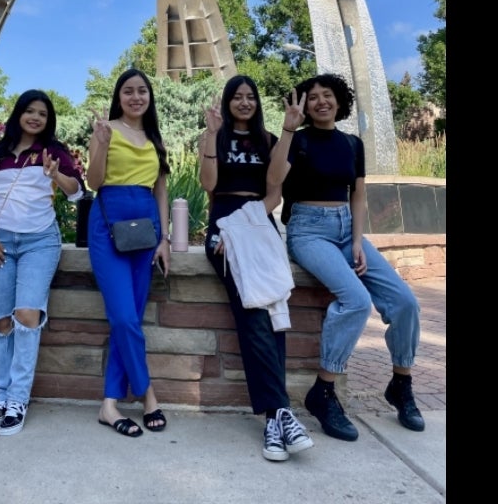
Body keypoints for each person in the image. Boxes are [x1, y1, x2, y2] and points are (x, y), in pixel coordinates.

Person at [268, 73, 425, 441]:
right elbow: (273, 182)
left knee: (405, 302)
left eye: (328, 95)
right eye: (313, 98)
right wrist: (287, 131)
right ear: (304, 106)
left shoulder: (352, 144)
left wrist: (357, 241)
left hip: (346, 231)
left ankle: (401, 384)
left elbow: (358, 195)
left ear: (340, 101)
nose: (321, 102)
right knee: (355, 300)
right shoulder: (297, 139)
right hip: (307, 231)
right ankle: (323, 390)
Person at [198, 75, 314, 462]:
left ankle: (273, 419)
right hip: (225, 230)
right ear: (228, 102)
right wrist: (213, 138)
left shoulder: (267, 140)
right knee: (251, 311)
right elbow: (209, 185)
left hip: (258, 221)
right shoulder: (212, 136)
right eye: (237, 97)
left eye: (250, 97)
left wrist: (287, 130)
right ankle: (281, 413)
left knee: (273, 310)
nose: (244, 102)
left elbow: (275, 187)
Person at [0, 90, 85, 436]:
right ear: (19, 113)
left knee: (27, 314)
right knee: (1, 319)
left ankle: (18, 398)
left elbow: (76, 191)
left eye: (43, 113)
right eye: (30, 111)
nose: (36, 118)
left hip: (40, 241)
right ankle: (1, 395)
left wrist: (55, 175)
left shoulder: (54, 152)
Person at [85, 68, 172, 437]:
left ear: (149, 96)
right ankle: (147, 393)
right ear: (118, 96)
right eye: (128, 91)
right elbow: (93, 182)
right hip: (108, 227)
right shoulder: (106, 129)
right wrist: (101, 144)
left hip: (146, 230)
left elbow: (161, 189)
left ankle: (108, 405)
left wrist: (164, 238)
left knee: (131, 319)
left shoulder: (153, 136)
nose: (136, 97)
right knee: (122, 318)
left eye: (142, 91)